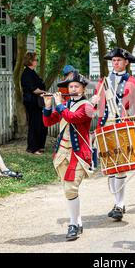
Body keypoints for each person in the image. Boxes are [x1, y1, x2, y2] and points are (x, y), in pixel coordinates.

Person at [90, 47, 135, 221]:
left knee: (121, 165)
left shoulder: (134, 83)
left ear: (126, 62)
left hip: (123, 126)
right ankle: (117, 202)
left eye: (119, 60)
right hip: (105, 125)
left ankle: (119, 204)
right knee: (110, 166)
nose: (116, 63)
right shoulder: (102, 82)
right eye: (113, 61)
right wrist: (94, 102)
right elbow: (96, 107)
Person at [42, 72, 95, 241]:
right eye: (70, 86)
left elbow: (72, 118)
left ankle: (73, 223)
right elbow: (48, 122)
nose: (72, 89)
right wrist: (48, 105)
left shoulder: (87, 106)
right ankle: (78, 222)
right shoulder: (64, 104)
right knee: (68, 189)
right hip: (62, 152)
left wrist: (59, 105)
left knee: (71, 187)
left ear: (83, 89)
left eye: (76, 87)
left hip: (78, 153)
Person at [21, 51, 48, 155]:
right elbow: (34, 89)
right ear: (30, 61)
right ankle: (33, 148)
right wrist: (45, 92)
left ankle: (40, 146)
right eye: (36, 60)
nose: (37, 61)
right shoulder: (27, 74)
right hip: (32, 102)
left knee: (41, 124)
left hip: (37, 102)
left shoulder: (32, 72)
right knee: (35, 124)